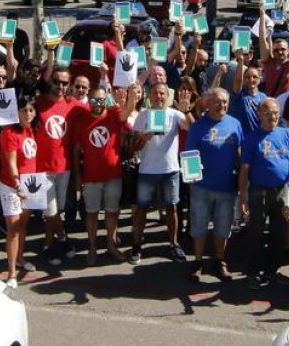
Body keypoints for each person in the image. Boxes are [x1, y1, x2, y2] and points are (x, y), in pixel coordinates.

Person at [239, 97, 289, 288]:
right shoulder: (252, 138)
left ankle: (272, 271)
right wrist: (243, 196)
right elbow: (244, 169)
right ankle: (252, 272)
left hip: (282, 191)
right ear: (259, 114)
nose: (273, 116)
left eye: (276, 113)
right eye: (269, 113)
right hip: (258, 191)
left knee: (279, 233)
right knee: (256, 232)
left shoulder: (286, 134)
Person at [128, 81, 194, 265]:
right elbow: (133, 147)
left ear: (167, 96)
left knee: (172, 208)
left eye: (163, 94)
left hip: (170, 170)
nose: (159, 97)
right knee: (141, 209)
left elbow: (191, 129)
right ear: (150, 96)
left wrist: (187, 111)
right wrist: (143, 138)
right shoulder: (142, 116)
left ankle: (173, 243)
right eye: (156, 93)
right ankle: (136, 244)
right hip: (147, 170)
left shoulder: (175, 114)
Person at [73, 83, 139, 265]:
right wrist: (78, 176)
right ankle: (92, 248)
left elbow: (128, 111)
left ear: (105, 100)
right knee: (92, 214)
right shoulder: (82, 121)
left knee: (112, 213)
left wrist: (132, 95)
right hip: (91, 177)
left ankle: (111, 246)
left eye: (102, 100)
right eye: (95, 100)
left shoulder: (113, 114)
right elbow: (77, 150)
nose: (98, 103)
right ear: (89, 101)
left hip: (113, 175)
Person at [186, 87, 243, 281]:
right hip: (201, 187)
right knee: (199, 226)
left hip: (227, 186)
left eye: (225, 102)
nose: (222, 105)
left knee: (223, 227)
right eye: (218, 102)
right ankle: (198, 260)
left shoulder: (235, 124)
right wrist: (191, 175)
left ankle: (220, 260)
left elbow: (240, 153)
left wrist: (242, 178)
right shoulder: (197, 127)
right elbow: (189, 155)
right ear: (208, 103)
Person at [33, 66, 77, 265]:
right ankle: (64, 240)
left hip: (64, 167)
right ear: (50, 81)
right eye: (57, 81)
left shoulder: (72, 104)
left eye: (65, 83)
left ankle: (48, 245)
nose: (61, 86)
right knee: (50, 212)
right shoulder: (38, 102)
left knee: (55, 212)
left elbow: (97, 112)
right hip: (42, 169)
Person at [0, 93, 40, 287]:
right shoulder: (9, 132)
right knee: (13, 229)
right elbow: (11, 163)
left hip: (31, 183)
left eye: (31, 110)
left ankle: (20, 258)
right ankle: (12, 273)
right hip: (12, 185)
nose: (28, 114)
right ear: (17, 112)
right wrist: (17, 185)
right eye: (24, 111)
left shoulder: (32, 129)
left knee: (23, 225)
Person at [230, 54, 266, 134]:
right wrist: (241, 61)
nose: (251, 79)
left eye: (254, 77)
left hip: (259, 138)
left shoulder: (264, 97)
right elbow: (238, 81)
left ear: (260, 79)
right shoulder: (239, 95)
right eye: (247, 77)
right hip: (242, 138)